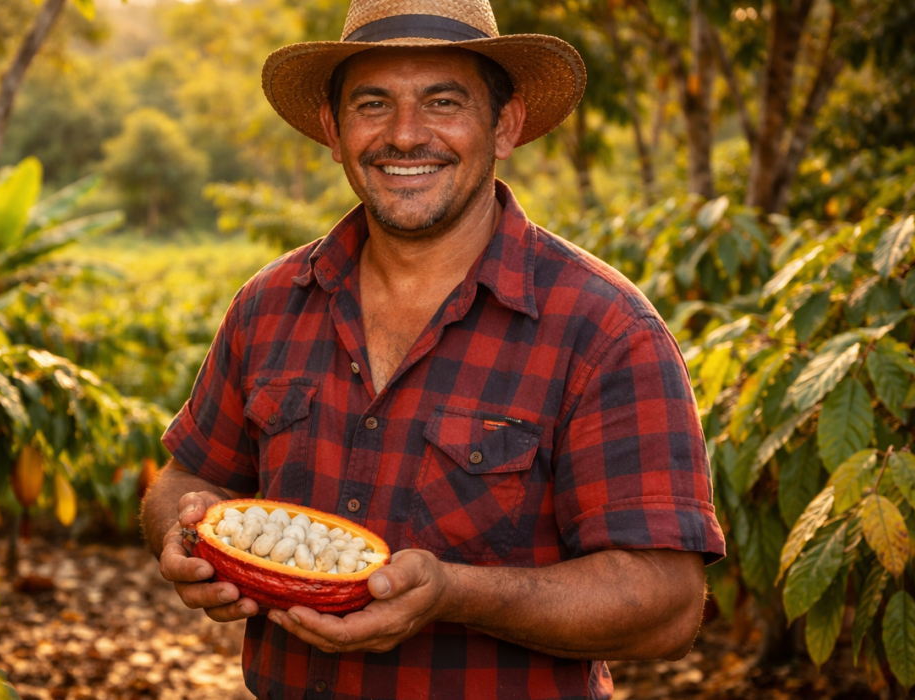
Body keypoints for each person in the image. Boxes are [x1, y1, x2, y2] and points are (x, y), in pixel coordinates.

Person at [142, 0, 726, 696]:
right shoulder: (271, 304)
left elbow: (667, 604)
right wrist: (182, 539)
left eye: (442, 101)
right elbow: (185, 479)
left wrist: (453, 594)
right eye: (372, 104)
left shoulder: (603, 329)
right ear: (334, 130)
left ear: (504, 125)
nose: (405, 134)